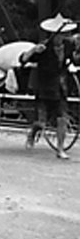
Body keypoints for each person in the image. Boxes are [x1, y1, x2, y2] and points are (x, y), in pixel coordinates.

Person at [20, 14, 79, 159]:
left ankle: (60, 149)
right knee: (41, 122)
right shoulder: (44, 47)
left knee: (62, 118)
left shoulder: (68, 46)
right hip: (44, 88)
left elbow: (75, 59)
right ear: (55, 34)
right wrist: (33, 50)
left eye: (64, 34)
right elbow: (22, 59)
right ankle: (33, 132)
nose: (62, 37)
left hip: (61, 87)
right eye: (60, 35)